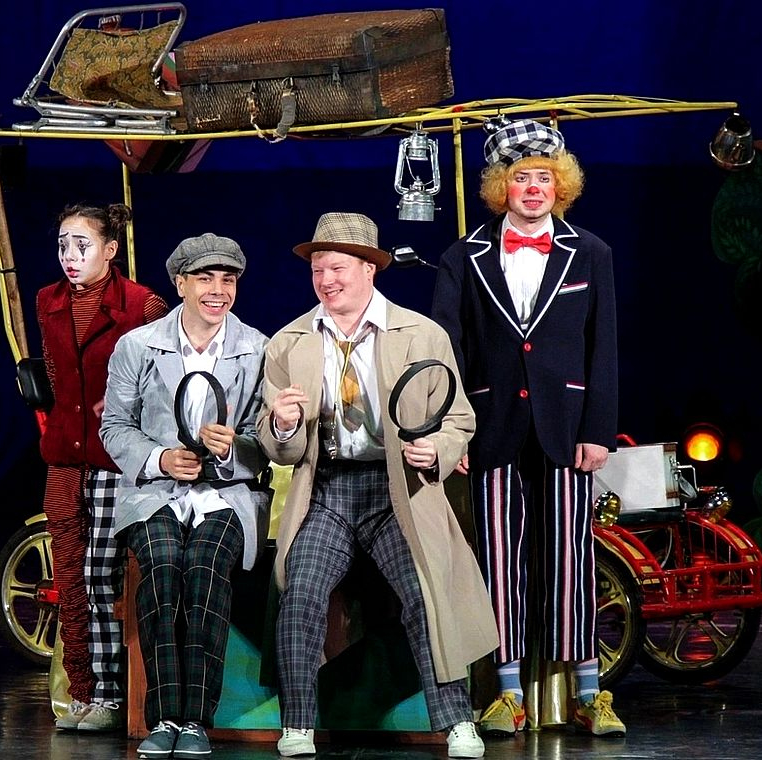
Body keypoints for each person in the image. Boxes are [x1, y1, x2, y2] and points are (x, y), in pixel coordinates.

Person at [259, 212, 495, 759]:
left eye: (337, 268)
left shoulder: (420, 334)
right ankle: (297, 724)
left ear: (369, 269)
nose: (326, 280)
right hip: (326, 490)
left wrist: (438, 450)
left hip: (397, 490)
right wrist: (284, 426)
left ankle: (457, 721)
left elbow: (458, 418)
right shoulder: (290, 342)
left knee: (426, 593)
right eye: (318, 270)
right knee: (301, 591)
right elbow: (277, 447)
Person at [430, 119, 624, 738]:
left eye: (544, 176)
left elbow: (603, 347)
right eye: (521, 177)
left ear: (561, 184)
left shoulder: (591, 252)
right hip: (491, 427)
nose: (534, 188)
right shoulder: (463, 256)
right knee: (497, 558)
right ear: (500, 187)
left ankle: (590, 691)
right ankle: (507, 692)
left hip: (566, 427)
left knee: (569, 557)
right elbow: (447, 350)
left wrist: (598, 429)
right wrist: (453, 431)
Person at [99, 233, 270, 759]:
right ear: (180, 283)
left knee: (204, 565)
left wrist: (233, 448)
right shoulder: (138, 345)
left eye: (228, 280)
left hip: (226, 495)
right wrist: (160, 459)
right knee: (162, 562)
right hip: (155, 493)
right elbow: (114, 426)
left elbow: (265, 440)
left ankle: (195, 719)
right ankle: (164, 716)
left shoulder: (257, 348)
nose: (218, 290)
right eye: (205, 278)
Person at [36, 202, 168, 732]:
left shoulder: (142, 304)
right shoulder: (48, 300)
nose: (70, 255)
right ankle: (82, 692)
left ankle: (114, 695)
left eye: (82, 245)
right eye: (63, 245)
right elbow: (54, 371)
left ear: (110, 250)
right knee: (70, 576)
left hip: (117, 458)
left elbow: (162, 377)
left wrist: (120, 410)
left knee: (103, 575)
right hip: (65, 457)